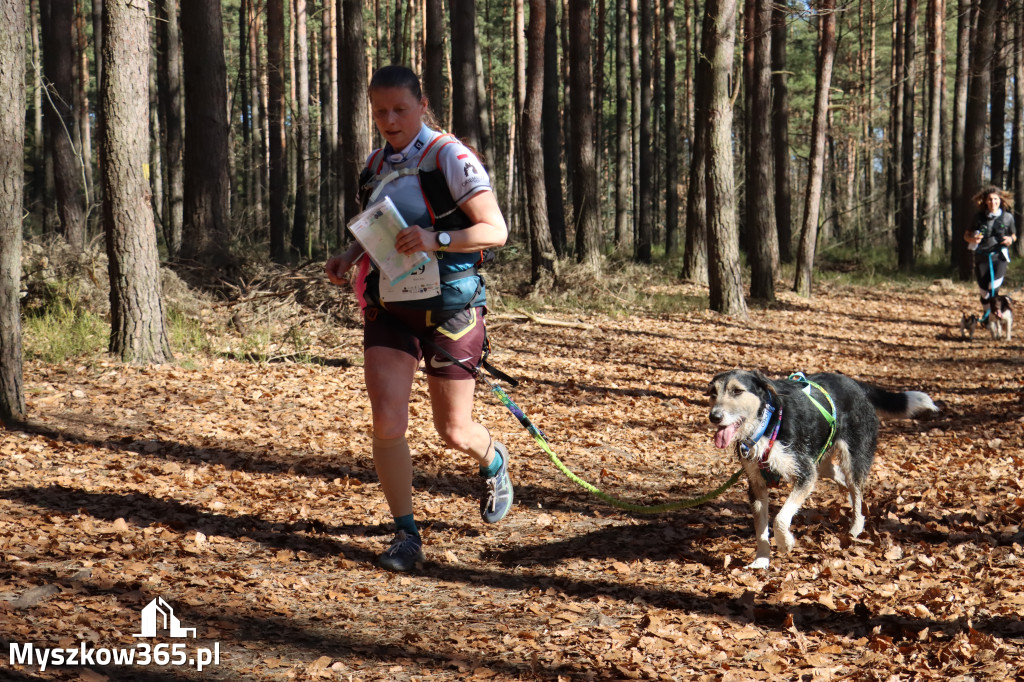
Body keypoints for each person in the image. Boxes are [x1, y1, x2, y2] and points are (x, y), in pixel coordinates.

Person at [325, 65, 513, 572]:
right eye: (380, 110)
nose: (389, 120)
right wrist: (349, 257)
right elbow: (379, 228)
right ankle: (405, 533)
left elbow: (495, 230)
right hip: (389, 305)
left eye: (399, 110)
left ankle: (493, 458)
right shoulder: (374, 164)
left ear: (422, 105)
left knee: (453, 431)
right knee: (387, 420)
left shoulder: (449, 155)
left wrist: (437, 239)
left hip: (451, 306)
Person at [964, 185, 1017, 321]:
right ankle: (987, 314)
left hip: (999, 257)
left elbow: (1014, 235)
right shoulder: (978, 218)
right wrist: (972, 239)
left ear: (1000, 200)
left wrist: (1010, 239)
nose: (993, 202)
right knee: (984, 291)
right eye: (990, 200)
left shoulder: (1007, 217)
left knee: (993, 288)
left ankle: (995, 315)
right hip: (982, 256)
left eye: (996, 199)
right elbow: (966, 235)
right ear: (985, 201)